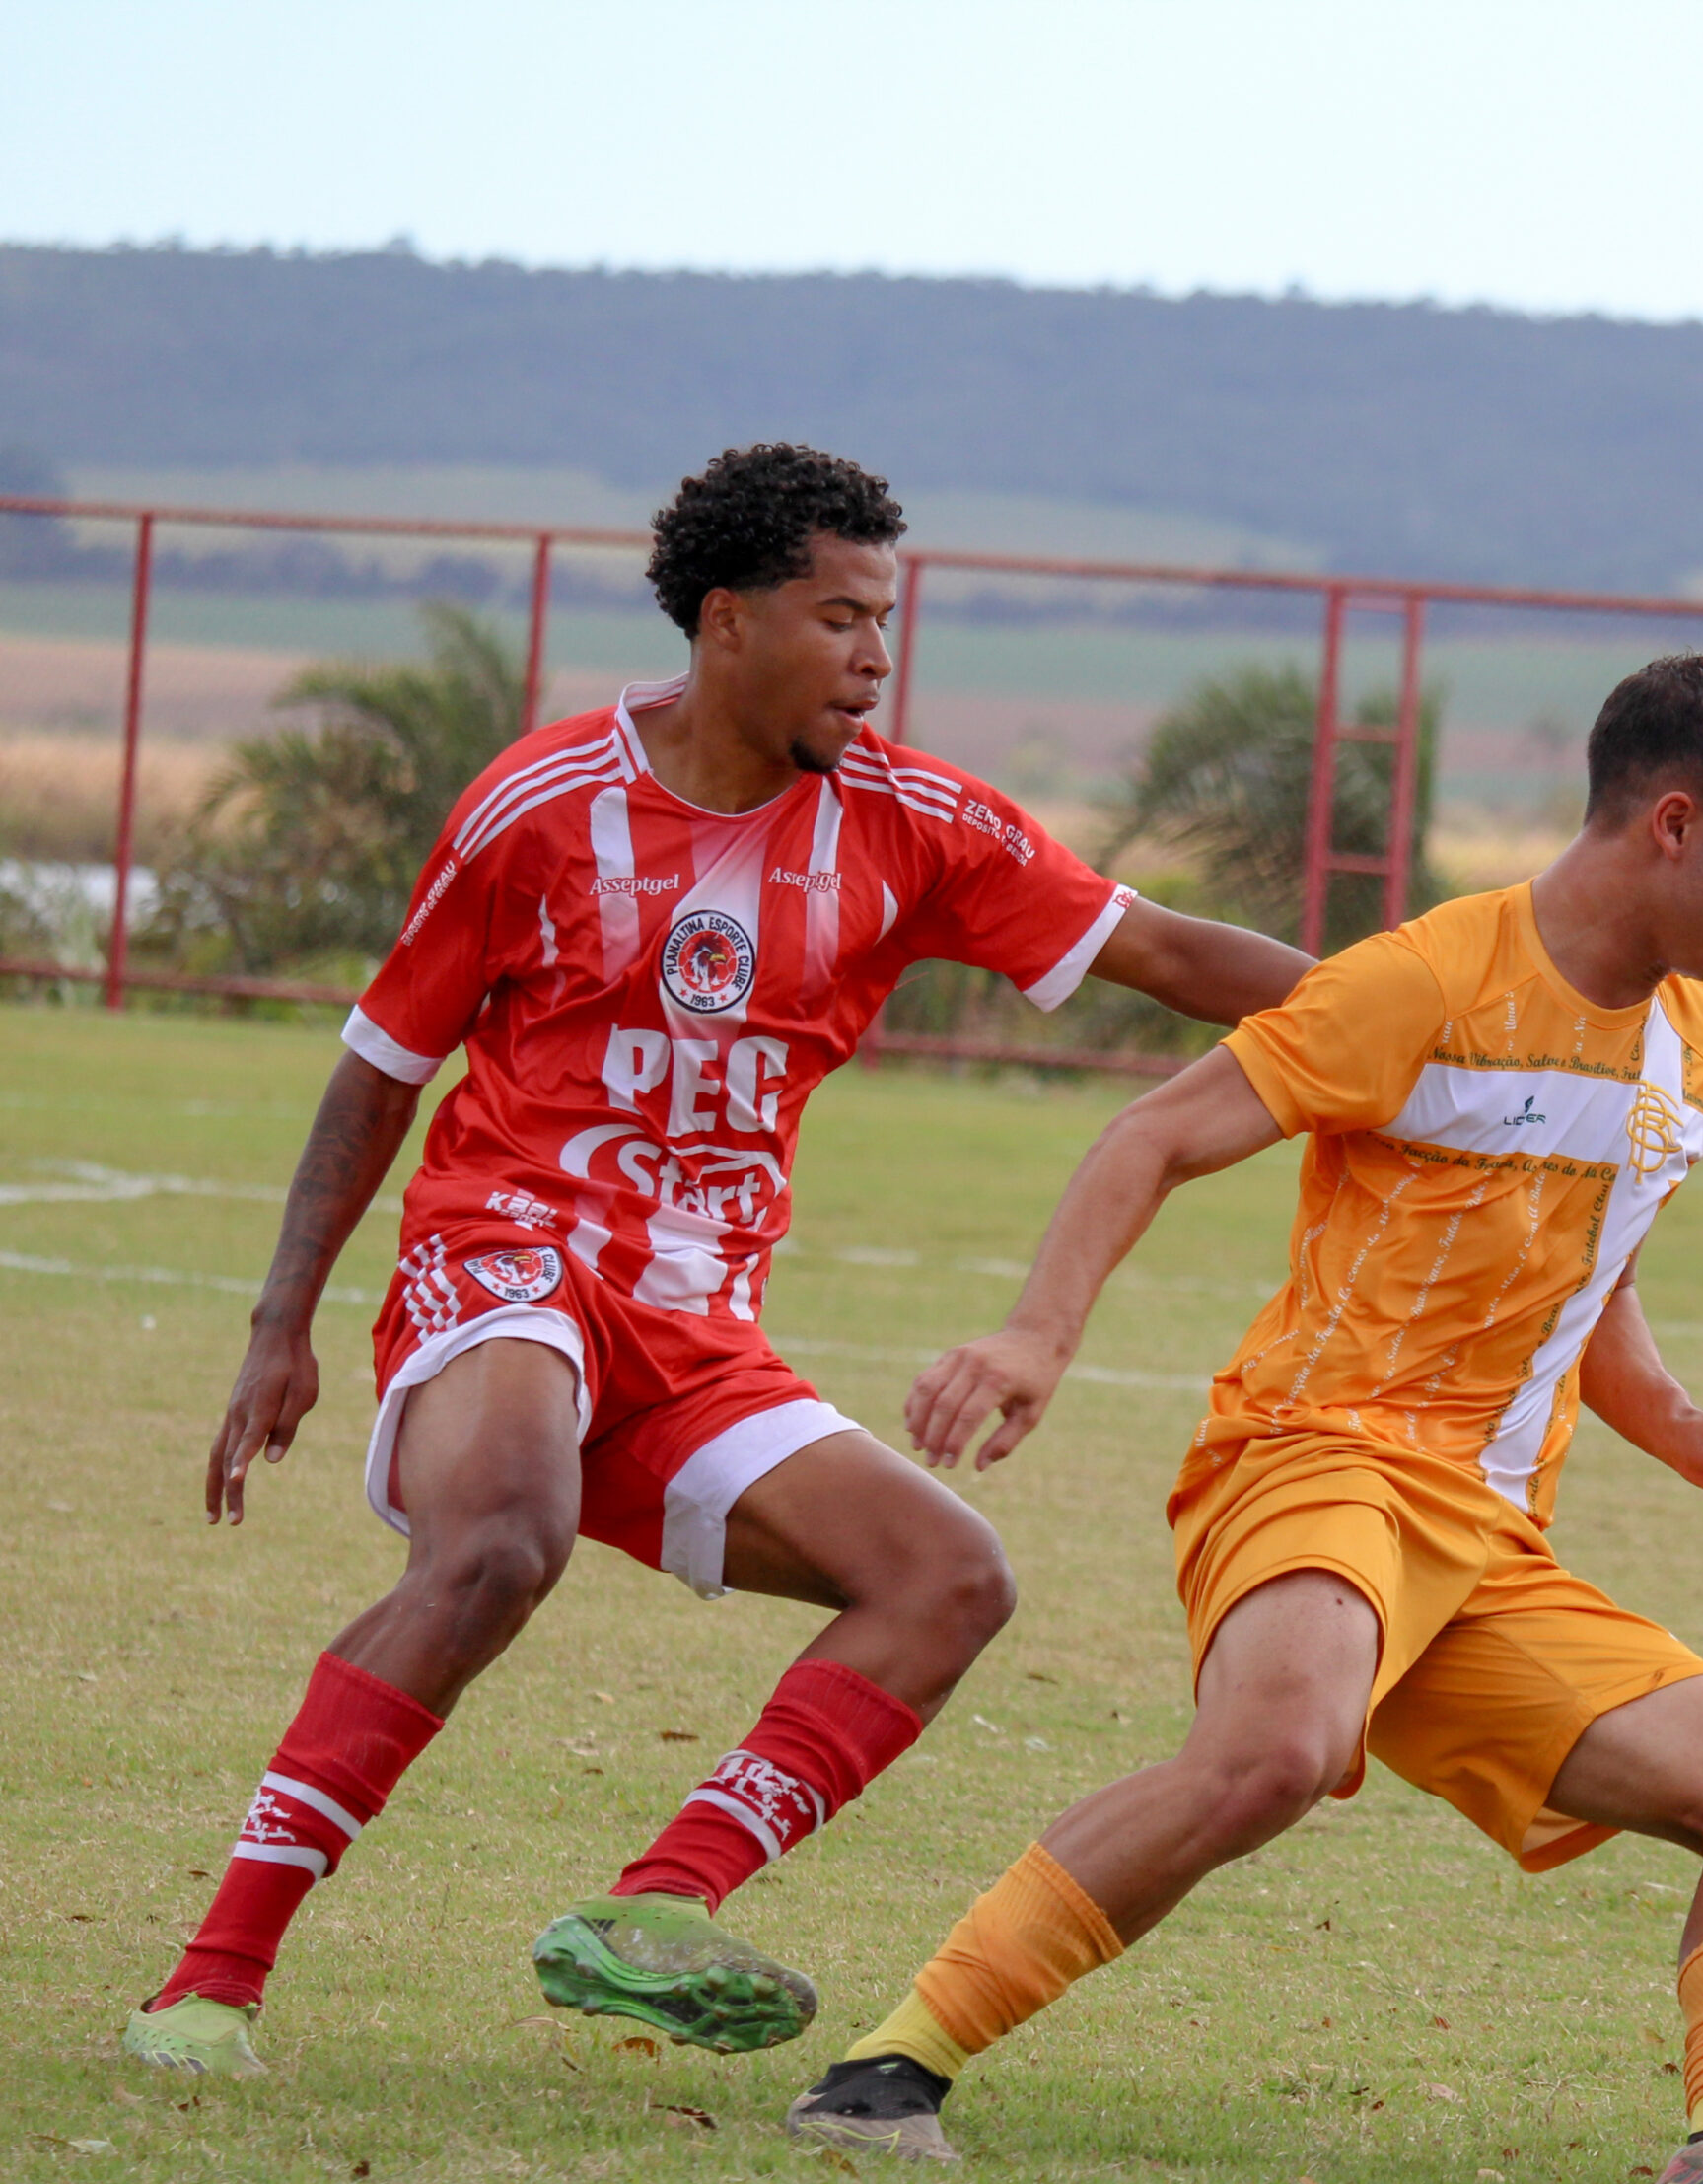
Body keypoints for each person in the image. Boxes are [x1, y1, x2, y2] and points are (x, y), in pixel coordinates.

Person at [126, 443, 1310, 2078]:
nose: (877, 657)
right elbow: (378, 1072)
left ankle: (655, 1906)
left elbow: (1168, 952)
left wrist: (1429, 1025)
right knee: (499, 1542)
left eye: (886, 620)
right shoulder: (543, 809)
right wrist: (282, 1325)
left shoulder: (914, 823)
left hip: (697, 1322)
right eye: (842, 618)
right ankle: (211, 1982)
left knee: (948, 1578)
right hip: (510, 1259)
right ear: (729, 620)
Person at [786, 655, 1703, 2184]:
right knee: (1276, 1752)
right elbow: (1154, 1134)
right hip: (1318, 1459)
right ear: (1677, 826)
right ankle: (889, 2071)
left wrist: (1688, 1431)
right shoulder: (1422, 984)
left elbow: (1587, 1286)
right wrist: (1036, 1336)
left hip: (1483, 1545)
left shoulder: (1693, 1050)